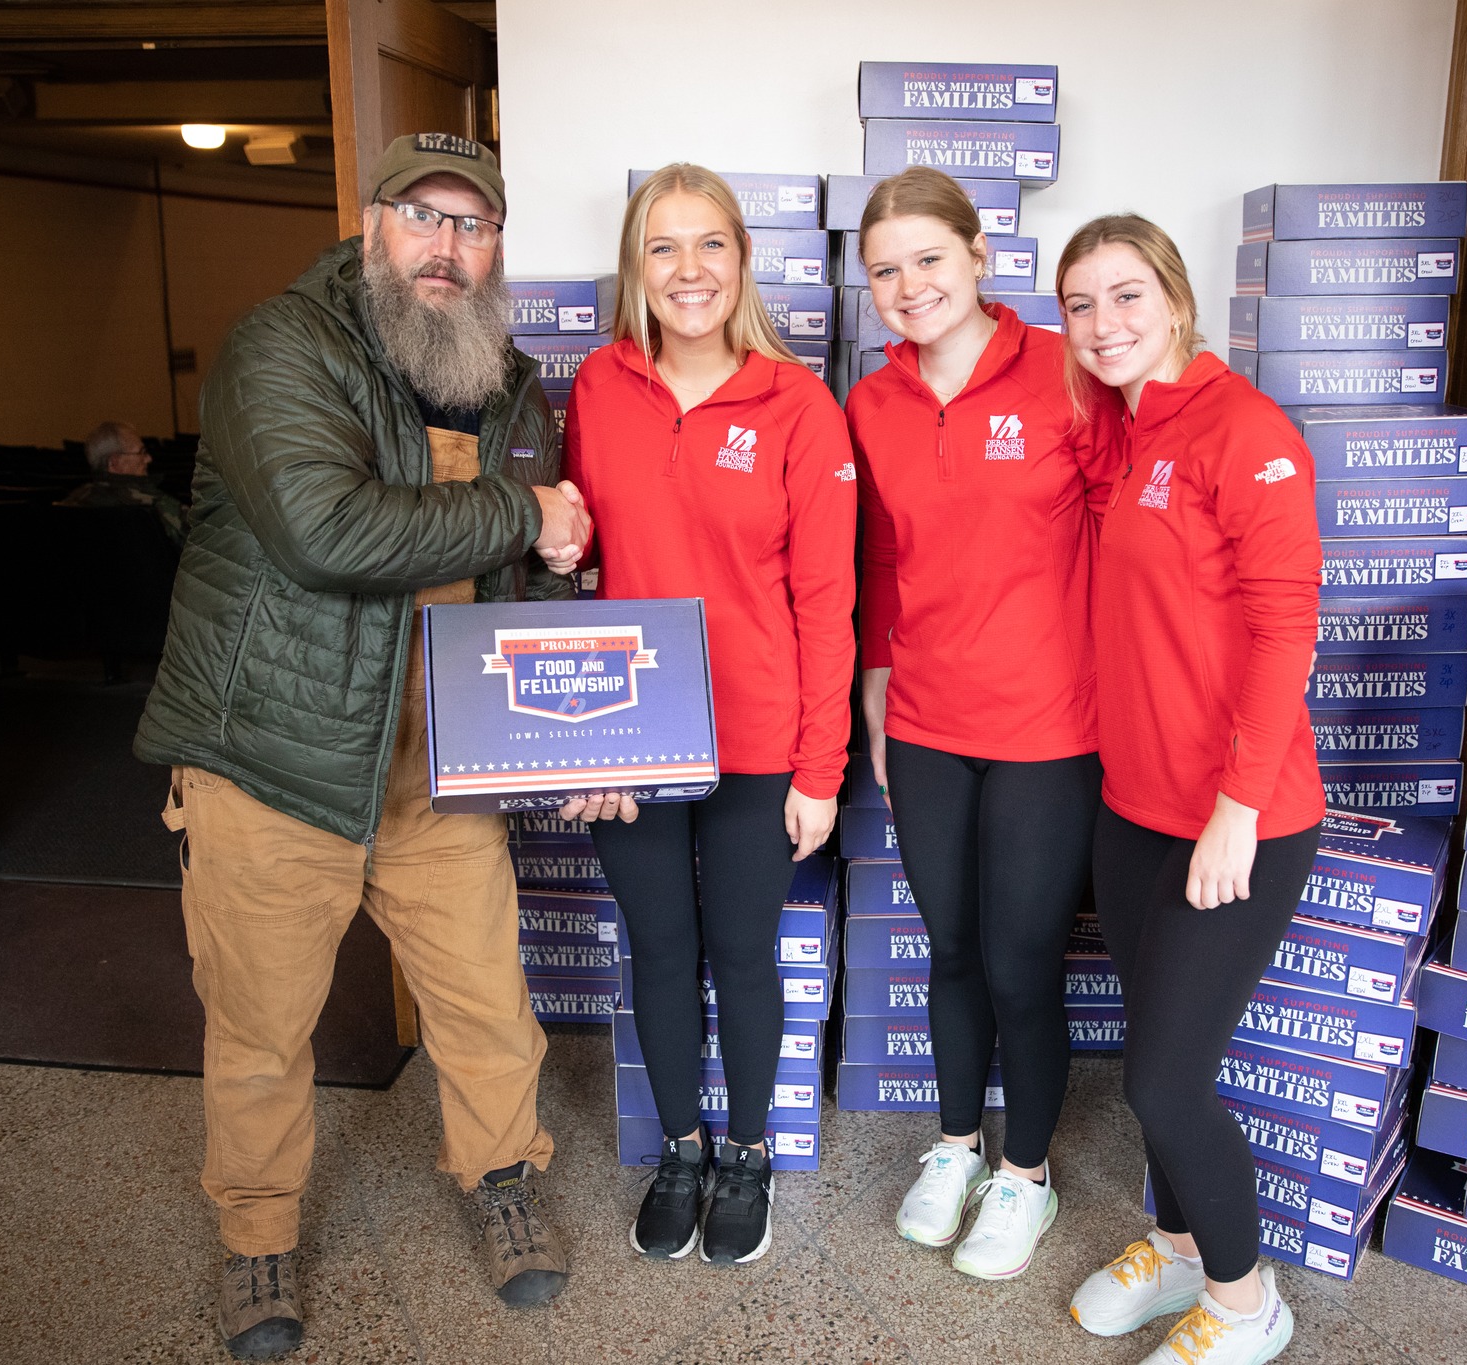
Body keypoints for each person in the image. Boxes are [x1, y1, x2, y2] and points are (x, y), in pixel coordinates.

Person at [132, 132, 595, 1361]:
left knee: (488, 1008)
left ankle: (502, 1180)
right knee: (260, 1029)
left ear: (497, 247)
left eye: (472, 225)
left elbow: (525, 580)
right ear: (372, 224)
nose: (445, 247)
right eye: (421, 216)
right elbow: (325, 528)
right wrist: (524, 512)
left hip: (436, 773)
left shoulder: (506, 382)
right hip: (274, 763)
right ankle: (255, 1237)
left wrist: (568, 704)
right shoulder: (280, 346)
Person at [561, 163, 857, 1266]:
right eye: (662, 248)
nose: (688, 271)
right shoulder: (596, 386)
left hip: (755, 738)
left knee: (739, 952)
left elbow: (827, 602)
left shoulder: (797, 406)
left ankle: (745, 1153)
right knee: (658, 948)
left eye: (709, 246)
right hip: (627, 736)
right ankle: (679, 1148)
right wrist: (574, 736)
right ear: (636, 267)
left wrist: (818, 768)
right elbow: (582, 559)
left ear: (742, 262)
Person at [1056, 215, 1323, 1365]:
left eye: (1123, 297)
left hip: (1238, 818)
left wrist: (1235, 808)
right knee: (1144, 1063)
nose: (1102, 325)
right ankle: (1173, 1247)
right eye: (1078, 306)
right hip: (1132, 809)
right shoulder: (1116, 435)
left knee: (1165, 1082)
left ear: (1171, 296)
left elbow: (1284, 629)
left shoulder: (1243, 429)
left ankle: (1246, 1299)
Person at [847, 166, 1117, 1280]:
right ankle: (956, 1147)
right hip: (923, 720)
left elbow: (1136, 535)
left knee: (1018, 963)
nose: (908, 287)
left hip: (1049, 728)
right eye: (883, 271)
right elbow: (879, 552)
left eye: (927, 259)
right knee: (949, 951)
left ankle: (1027, 1176)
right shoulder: (871, 400)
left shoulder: (1067, 368)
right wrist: (872, 678)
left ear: (978, 257)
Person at [61, 419, 188, 544]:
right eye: (141, 452)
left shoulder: (70, 504)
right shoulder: (155, 504)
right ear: (114, 463)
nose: (149, 459)